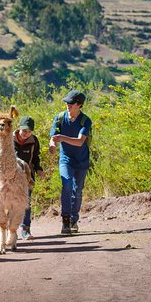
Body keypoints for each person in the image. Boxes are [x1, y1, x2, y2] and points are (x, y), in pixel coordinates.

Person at [49, 90, 92, 235]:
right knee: (66, 184)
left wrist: (62, 138)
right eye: (67, 102)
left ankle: (74, 219)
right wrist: (53, 144)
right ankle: (65, 221)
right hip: (65, 159)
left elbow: (80, 141)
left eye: (71, 103)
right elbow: (54, 136)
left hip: (81, 161)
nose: (68, 105)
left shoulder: (85, 121)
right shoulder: (60, 117)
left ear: (79, 105)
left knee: (77, 192)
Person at [14, 116, 44, 240]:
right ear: (19, 128)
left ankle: (26, 230)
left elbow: (36, 157)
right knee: (10, 203)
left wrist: (38, 168)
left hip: (28, 176)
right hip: (11, 177)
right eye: (24, 130)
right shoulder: (9, 139)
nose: (26, 133)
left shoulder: (34, 141)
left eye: (29, 131)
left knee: (26, 203)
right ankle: (11, 231)